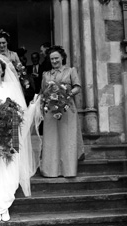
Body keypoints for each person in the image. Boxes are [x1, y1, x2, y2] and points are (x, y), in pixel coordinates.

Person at [0, 55, 39, 222]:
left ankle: (6, 202)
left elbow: (19, 110)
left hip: (9, 132)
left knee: (8, 166)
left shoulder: (11, 86)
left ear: (3, 70)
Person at [40, 45, 84, 178]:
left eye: (56, 58)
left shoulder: (71, 71)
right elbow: (42, 92)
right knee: (51, 139)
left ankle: (68, 170)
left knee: (67, 137)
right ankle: (51, 170)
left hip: (67, 108)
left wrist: (66, 94)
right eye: (52, 59)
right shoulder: (46, 74)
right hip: (51, 111)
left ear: (62, 58)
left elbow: (78, 87)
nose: (54, 61)